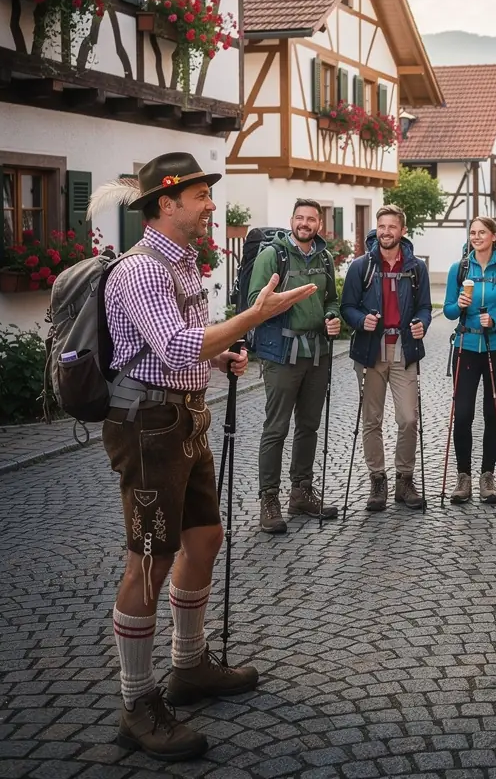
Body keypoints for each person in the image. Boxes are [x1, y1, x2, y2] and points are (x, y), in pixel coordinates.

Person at [98, 153, 317, 761]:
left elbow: (183, 345)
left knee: (205, 539)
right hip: (148, 426)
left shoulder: (182, 262)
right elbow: (172, 349)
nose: (211, 205)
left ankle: (188, 666)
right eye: (200, 196)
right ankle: (136, 703)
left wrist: (219, 355)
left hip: (184, 418)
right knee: (149, 560)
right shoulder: (141, 270)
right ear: (166, 204)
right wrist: (253, 317)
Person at [252, 199, 342, 534]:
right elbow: (255, 303)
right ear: (291, 220)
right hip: (281, 353)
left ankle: (301, 492)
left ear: (319, 224)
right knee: (276, 428)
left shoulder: (324, 257)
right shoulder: (272, 256)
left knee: (308, 426)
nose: (305, 223)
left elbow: (331, 299)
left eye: (311, 219)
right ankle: (269, 499)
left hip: (317, 353)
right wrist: (284, 303)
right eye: (300, 218)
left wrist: (332, 316)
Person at [341, 205, 431, 511]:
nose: (386, 232)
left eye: (392, 226)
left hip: (404, 350)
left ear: (402, 231)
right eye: (381, 226)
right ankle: (377, 479)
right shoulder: (361, 266)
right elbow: (347, 306)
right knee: (372, 419)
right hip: (370, 351)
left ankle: (405, 479)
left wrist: (422, 323)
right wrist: (360, 320)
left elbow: (425, 307)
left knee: (408, 418)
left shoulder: (416, 268)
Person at [443, 217, 496, 504]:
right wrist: (458, 305)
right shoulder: (459, 268)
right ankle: (463, 476)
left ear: (494, 236)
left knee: (493, 414)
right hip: (465, 346)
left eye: (482, 232)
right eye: (473, 233)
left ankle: (487, 476)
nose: (476, 237)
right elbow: (448, 311)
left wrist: (495, 321)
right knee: (463, 414)